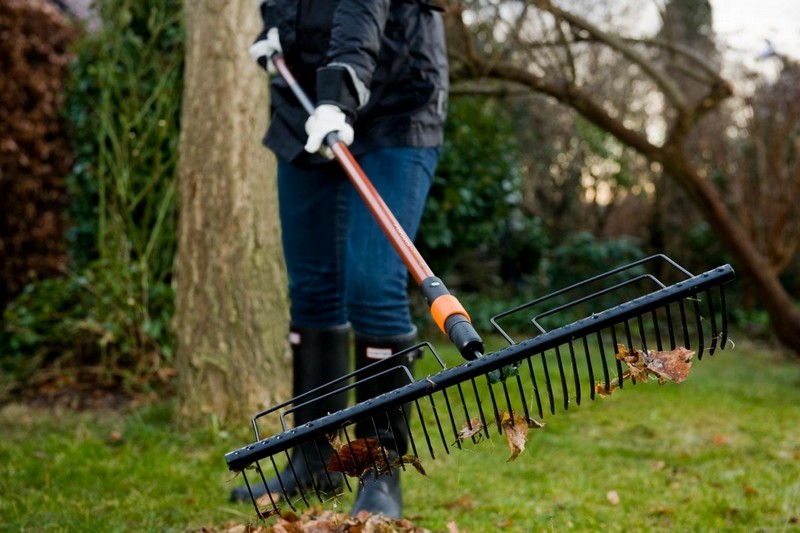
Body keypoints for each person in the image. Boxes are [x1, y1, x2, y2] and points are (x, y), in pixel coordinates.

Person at [229, 0, 449, 519]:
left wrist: (341, 90)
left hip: (396, 98)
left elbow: (359, 10)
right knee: (313, 289)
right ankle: (313, 458)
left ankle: (378, 473)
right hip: (305, 102)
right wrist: (276, 28)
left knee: (374, 285)